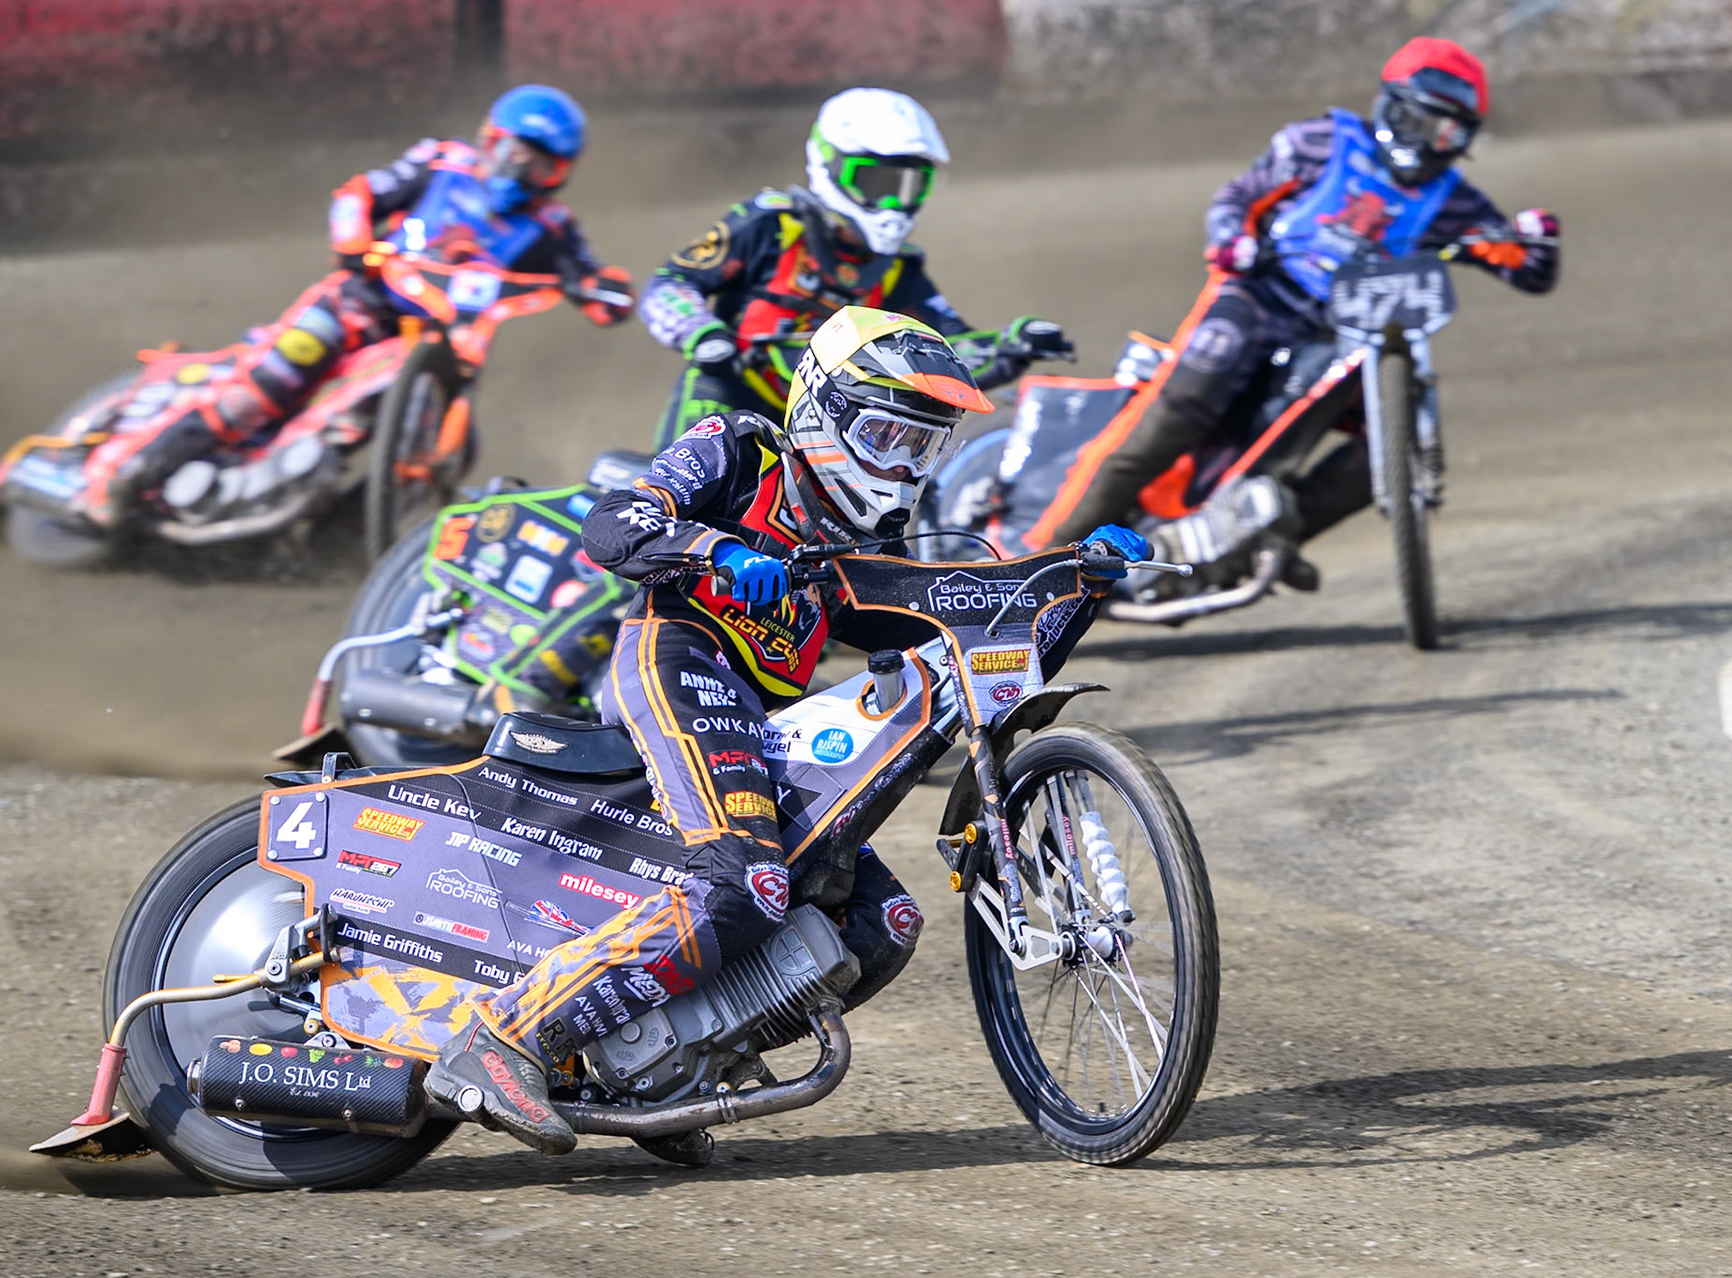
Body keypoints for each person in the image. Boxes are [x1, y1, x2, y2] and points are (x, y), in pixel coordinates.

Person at [422, 306, 1147, 1163]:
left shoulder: (859, 545)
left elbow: (975, 620)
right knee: (743, 881)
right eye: (887, 434)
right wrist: (719, 554)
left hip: (758, 719)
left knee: (884, 923)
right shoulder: (739, 446)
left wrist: (1075, 579)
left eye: (924, 446)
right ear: (824, 410)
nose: (903, 464)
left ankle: (675, 1073)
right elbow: (615, 523)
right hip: (675, 655)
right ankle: (503, 1040)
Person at [1046, 37, 1560, 552]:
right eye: (1419, 122)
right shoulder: (1316, 142)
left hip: (1346, 339)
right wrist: (1234, 241)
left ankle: (1268, 540)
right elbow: (1237, 198)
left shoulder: (1456, 202)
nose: (1429, 143)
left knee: (1391, 449)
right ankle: (1048, 554)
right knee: (1176, 410)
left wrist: (1537, 236)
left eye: (1448, 133)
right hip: (1260, 295)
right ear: (1389, 106)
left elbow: (1528, 270)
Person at [81, 84, 633, 527]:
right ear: (491, 139)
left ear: (561, 172)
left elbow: (591, 279)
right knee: (267, 383)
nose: (520, 171)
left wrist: (607, 293)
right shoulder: (442, 162)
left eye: (540, 165)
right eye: (514, 152)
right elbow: (359, 192)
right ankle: (123, 471)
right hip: (360, 300)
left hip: (437, 341)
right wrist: (351, 242)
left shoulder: (553, 227)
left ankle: (326, 521)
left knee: (383, 425)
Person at [638, 86, 1070, 450]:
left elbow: (946, 348)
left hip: (828, 423)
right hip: (732, 391)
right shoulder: (771, 224)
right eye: (876, 183)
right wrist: (703, 334)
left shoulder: (897, 269)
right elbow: (669, 284)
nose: (892, 204)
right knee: (688, 509)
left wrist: (1011, 343)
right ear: (827, 165)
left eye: (908, 186)